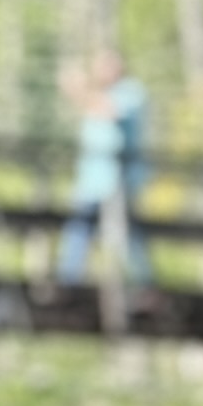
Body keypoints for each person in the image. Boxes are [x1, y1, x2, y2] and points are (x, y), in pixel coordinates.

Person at [57, 47, 151, 289]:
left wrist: (79, 89)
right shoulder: (99, 95)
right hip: (92, 181)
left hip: (119, 181)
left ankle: (145, 288)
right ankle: (68, 283)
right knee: (78, 230)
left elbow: (110, 110)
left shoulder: (130, 92)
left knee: (128, 236)